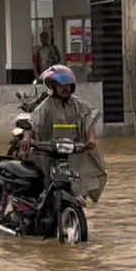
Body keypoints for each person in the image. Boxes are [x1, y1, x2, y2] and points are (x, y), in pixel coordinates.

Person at [22, 64, 107, 203]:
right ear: (53, 86)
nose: (65, 88)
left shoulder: (78, 105)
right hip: (49, 152)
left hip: (72, 152)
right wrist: (26, 138)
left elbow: (88, 120)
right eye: (61, 85)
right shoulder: (46, 106)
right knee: (42, 183)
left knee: (89, 172)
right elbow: (32, 123)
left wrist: (91, 139)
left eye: (68, 85)